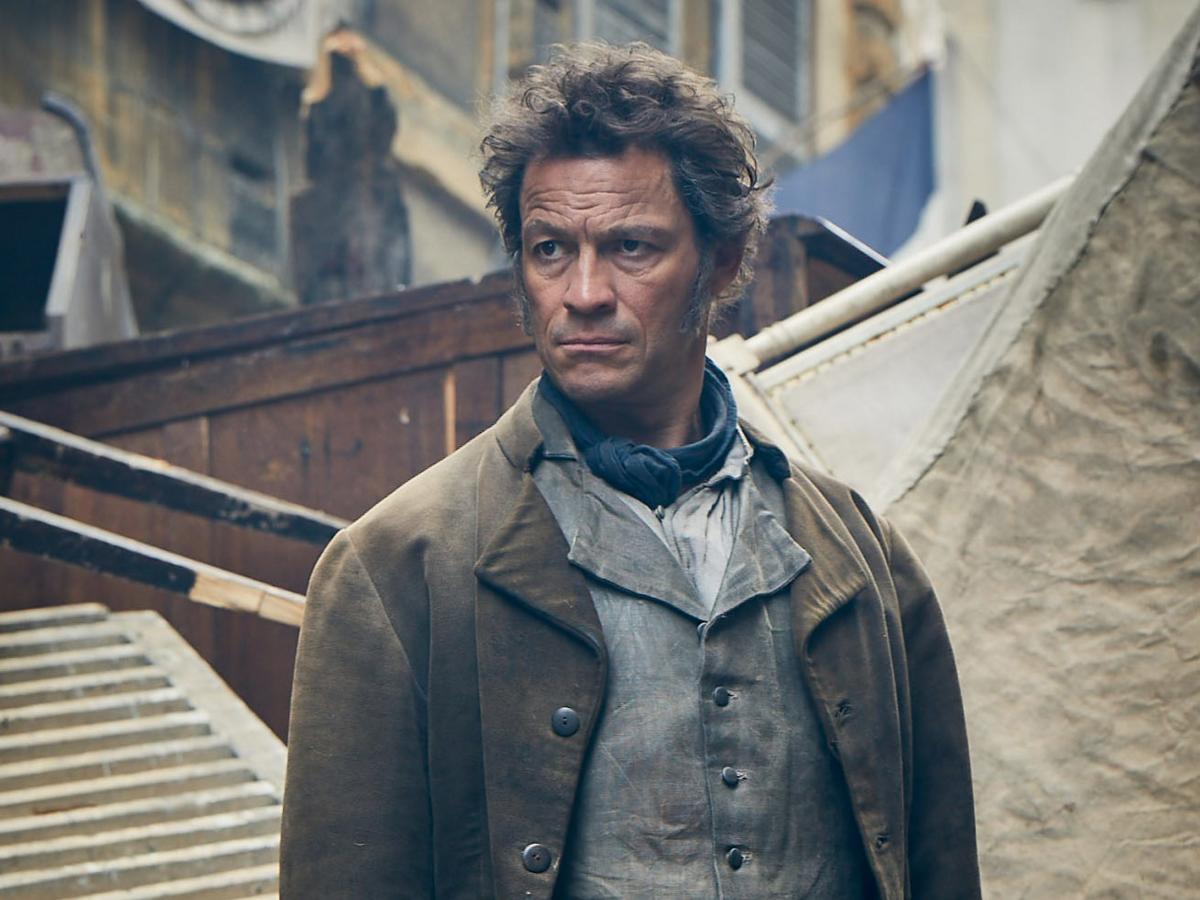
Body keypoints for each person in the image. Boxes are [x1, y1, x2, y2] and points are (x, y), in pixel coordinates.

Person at [280, 42, 979, 899]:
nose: (583, 293)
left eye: (631, 247)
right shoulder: (396, 567)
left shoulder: (864, 561)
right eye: (550, 249)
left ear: (724, 262)